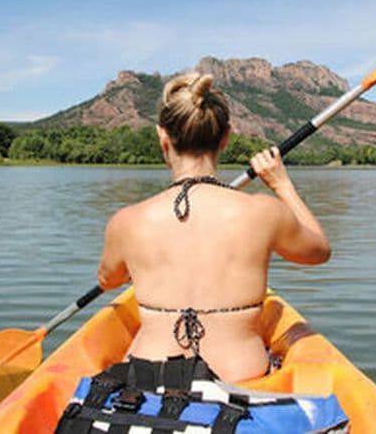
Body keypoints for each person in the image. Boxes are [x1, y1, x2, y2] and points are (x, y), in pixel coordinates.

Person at [96, 73, 331, 383]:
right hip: (241, 379)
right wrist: (282, 185)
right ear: (226, 137)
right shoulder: (263, 212)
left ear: (162, 137)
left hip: (145, 379)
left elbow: (109, 280)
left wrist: (135, 263)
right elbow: (319, 251)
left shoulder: (127, 221)